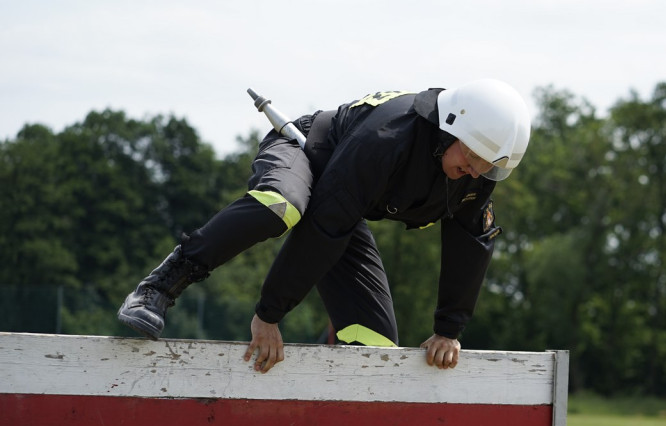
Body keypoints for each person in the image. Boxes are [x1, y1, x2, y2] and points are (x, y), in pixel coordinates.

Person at [117, 79, 531, 373]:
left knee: (375, 346)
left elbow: (470, 245)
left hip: (343, 203)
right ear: (448, 127)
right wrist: (269, 314)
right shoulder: (386, 139)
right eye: (472, 156)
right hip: (305, 151)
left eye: (487, 166)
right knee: (281, 207)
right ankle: (158, 288)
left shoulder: (474, 175)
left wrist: (448, 331)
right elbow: (326, 227)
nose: (475, 171)